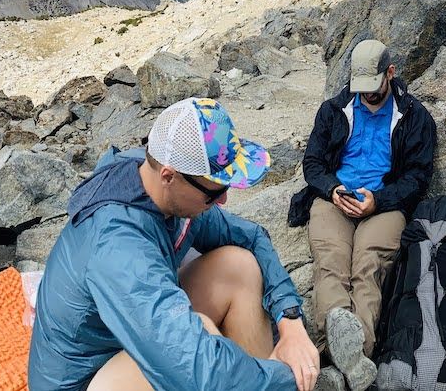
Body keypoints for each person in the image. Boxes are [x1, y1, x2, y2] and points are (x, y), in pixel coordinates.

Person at [29, 97, 318, 391]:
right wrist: (288, 375)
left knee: (238, 266)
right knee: (200, 337)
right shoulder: (119, 247)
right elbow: (197, 370)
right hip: (86, 377)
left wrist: (290, 321)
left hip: (127, 334)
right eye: (213, 192)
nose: (223, 201)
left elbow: (252, 236)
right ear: (169, 176)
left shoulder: (160, 185)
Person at [289, 39, 437, 385]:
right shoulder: (334, 110)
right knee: (331, 264)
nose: (367, 95)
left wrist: (379, 201)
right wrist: (331, 189)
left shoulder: (414, 117)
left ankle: (348, 362)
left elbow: (418, 177)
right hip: (335, 199)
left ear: (390, 73)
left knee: (368, 266)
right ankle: (347, 362)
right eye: (361, 88)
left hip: (384, 203)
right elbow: (313, 163)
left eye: (374, 87)